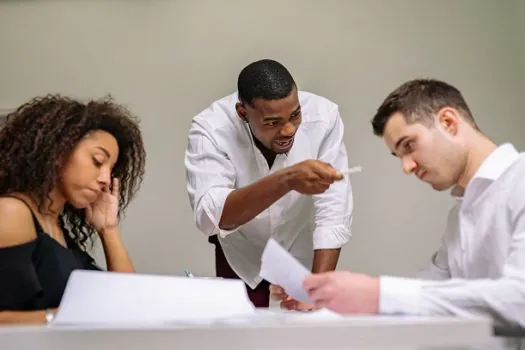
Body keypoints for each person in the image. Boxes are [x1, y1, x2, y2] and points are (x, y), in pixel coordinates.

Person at [302, 79, 525, 348]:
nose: (407, 167)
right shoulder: (461, 216)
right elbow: (429, 293)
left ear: (448, 123)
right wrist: (329, 292)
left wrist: (377, 295)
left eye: (408, 145)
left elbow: (519, 300)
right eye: (398, 156)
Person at [185, 59, 354, 309]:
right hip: (241, 252)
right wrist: (287, 179)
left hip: (301, 243)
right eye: (272, 123)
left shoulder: (324, 117)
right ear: (243, 112)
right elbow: (210, 217)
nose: (288, 130)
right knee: (242, 336)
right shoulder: (211, 129)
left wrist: (316, 290)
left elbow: (333, 211)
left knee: (303, 335)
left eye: (295, 115)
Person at [0, 94, 146, 324]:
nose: (106, 179)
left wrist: (108, 229)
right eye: (98, 161)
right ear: (58, 151)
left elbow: (128, 301)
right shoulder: (12, 213)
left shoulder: (59, 233)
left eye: (111, 169)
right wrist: (67, 318)